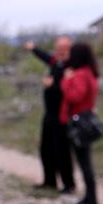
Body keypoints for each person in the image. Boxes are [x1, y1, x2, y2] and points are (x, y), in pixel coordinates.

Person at [25, 37, 75, 194]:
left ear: (70, 50)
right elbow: (45, 56)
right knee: (45, 149)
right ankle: (49, 181)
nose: (59, 52)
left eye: (63, 49)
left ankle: (69, 185)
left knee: (62, 151)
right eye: (58, 48)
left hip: (63, 116)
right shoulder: (56, 62)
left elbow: (70, 92)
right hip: (49, 115)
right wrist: (33, 48)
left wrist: (51, 86)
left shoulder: (71, 67)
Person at [61, 42, 101, 204]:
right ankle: (88, 199)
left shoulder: (80, 74)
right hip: (86, 120)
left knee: (85, 164)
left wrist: (66, 80)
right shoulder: (91, 73)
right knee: (85, 163)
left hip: (79, 123)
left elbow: (74, 96)